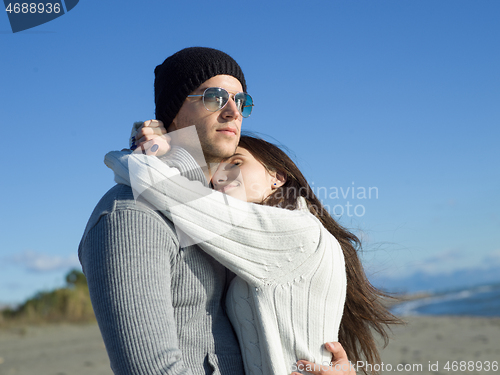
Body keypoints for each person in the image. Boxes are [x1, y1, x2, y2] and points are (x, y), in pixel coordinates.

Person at [107, 127, 401, 375]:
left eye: (235, 162)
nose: (220, 176)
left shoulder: (294, 231)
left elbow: (153, 184)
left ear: (278, 177)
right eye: (213, 174)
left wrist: (134, 153)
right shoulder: (268, 240)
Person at [79, 47, 250, 374]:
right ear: (172, 113)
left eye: (242, 101)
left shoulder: (219, 210)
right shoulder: (131, 213)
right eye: (215, 97)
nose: (233, 112)